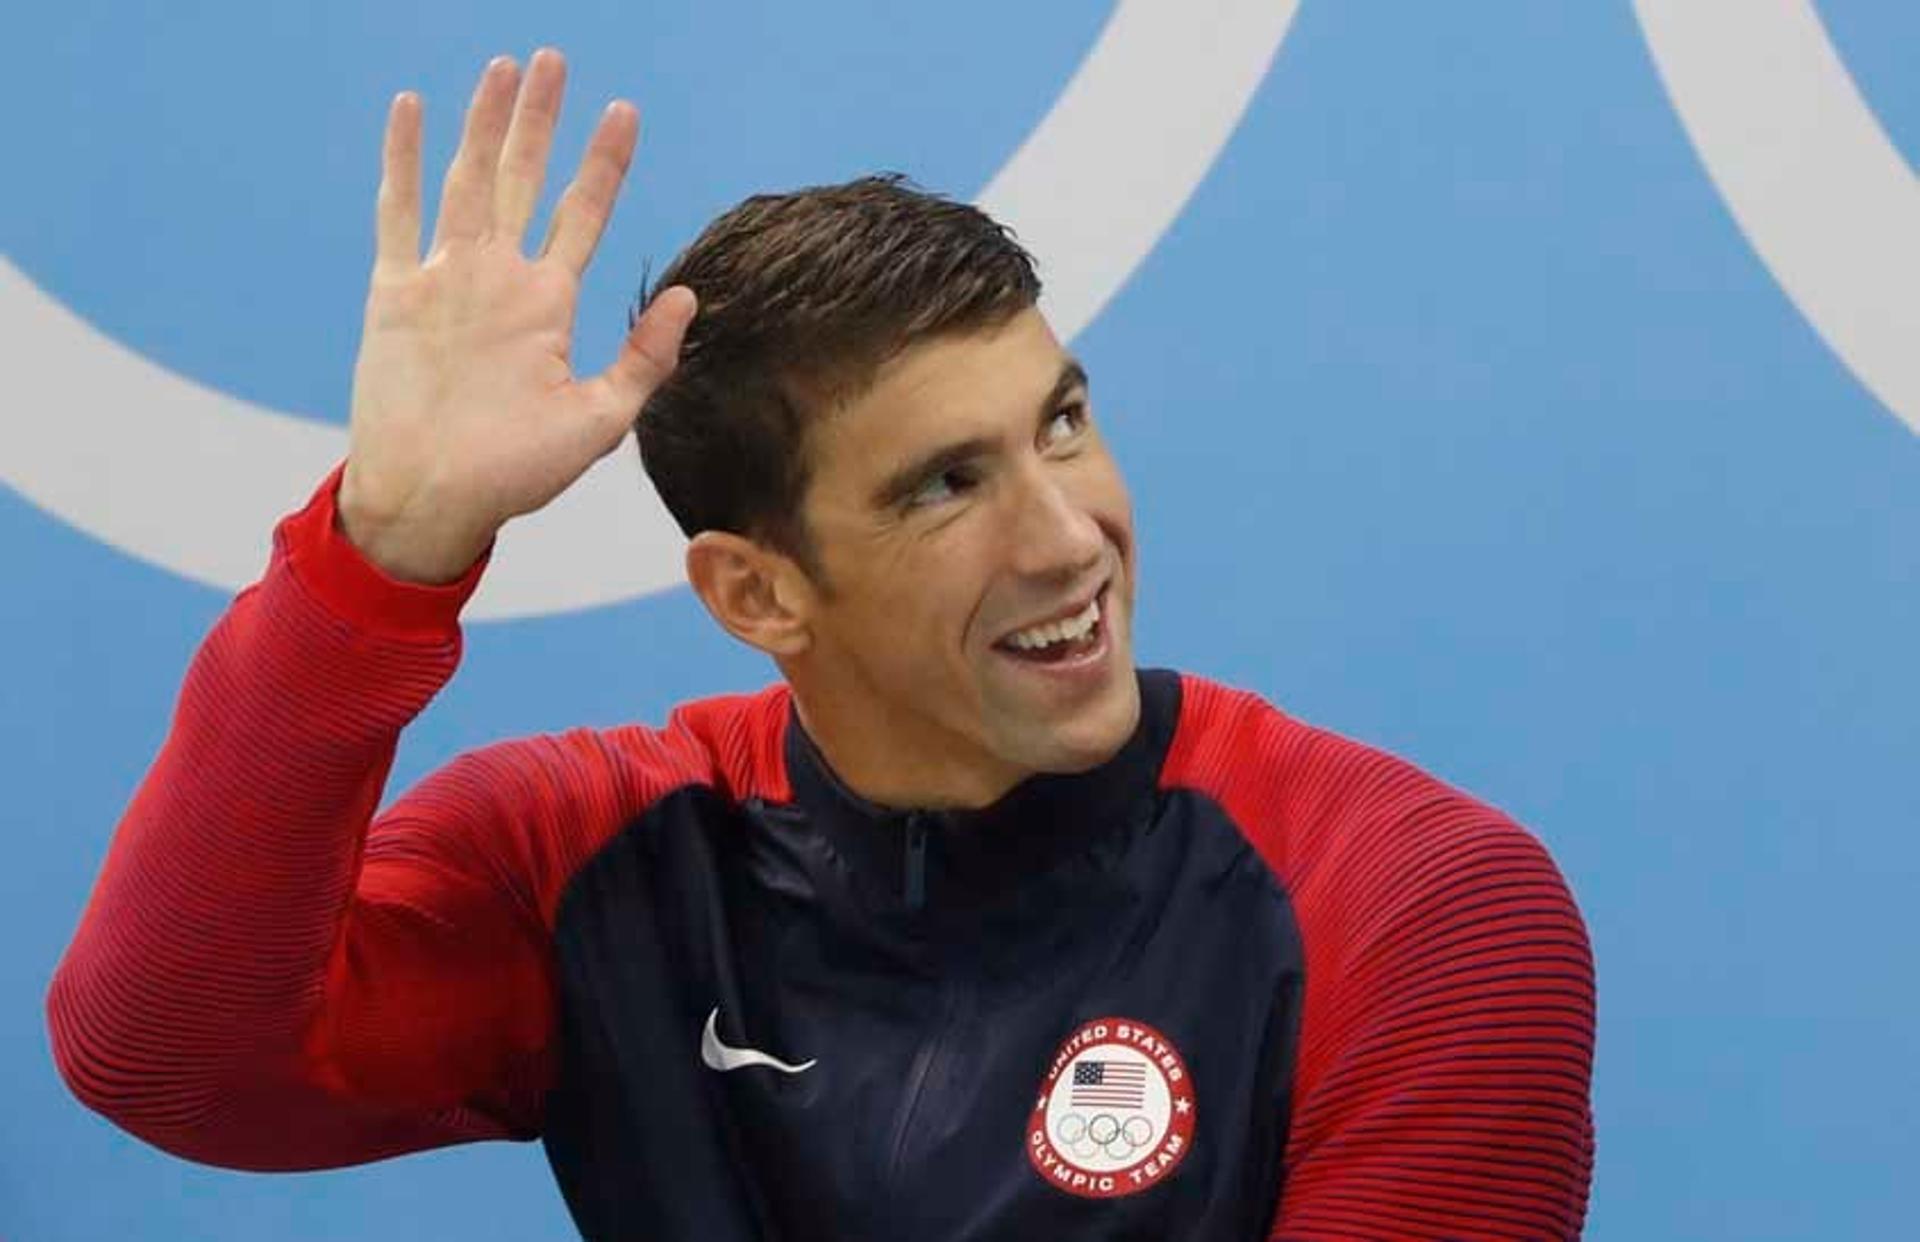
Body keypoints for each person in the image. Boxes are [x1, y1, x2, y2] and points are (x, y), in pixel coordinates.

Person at [48, 50, 1595, 1241]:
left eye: (1062, 421)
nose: (1069, 537)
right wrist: (379, 561)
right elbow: (168, 1053)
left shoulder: (1419, 904)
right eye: (946, 484)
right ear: (757, 596)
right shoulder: (601, 855)